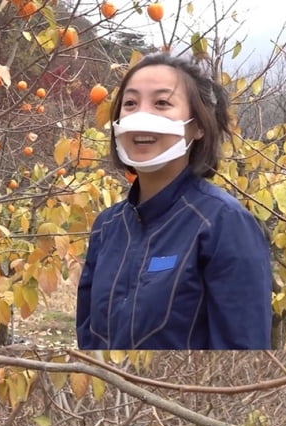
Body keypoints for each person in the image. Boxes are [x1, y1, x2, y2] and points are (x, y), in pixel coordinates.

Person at [76, 53, 271, 350]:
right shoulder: (107, 226)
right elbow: (88, 338)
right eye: (130, 104)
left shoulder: (223, 223)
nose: (142, 117)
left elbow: (242, 346)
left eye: (162, 103)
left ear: (199, 125)